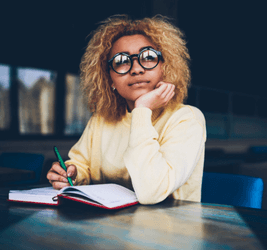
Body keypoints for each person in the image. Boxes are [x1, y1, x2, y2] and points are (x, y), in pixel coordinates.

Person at [47, 15, 206, 204]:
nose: (136, 69)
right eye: (121, 61)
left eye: (148, 57)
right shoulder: (101, 120)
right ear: (110, 78)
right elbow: (82, 164)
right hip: (106, 227)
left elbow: (151, 191)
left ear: (165, 66)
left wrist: (142, 109)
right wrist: (72, 173)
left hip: (169, 229)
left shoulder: (186, 118)